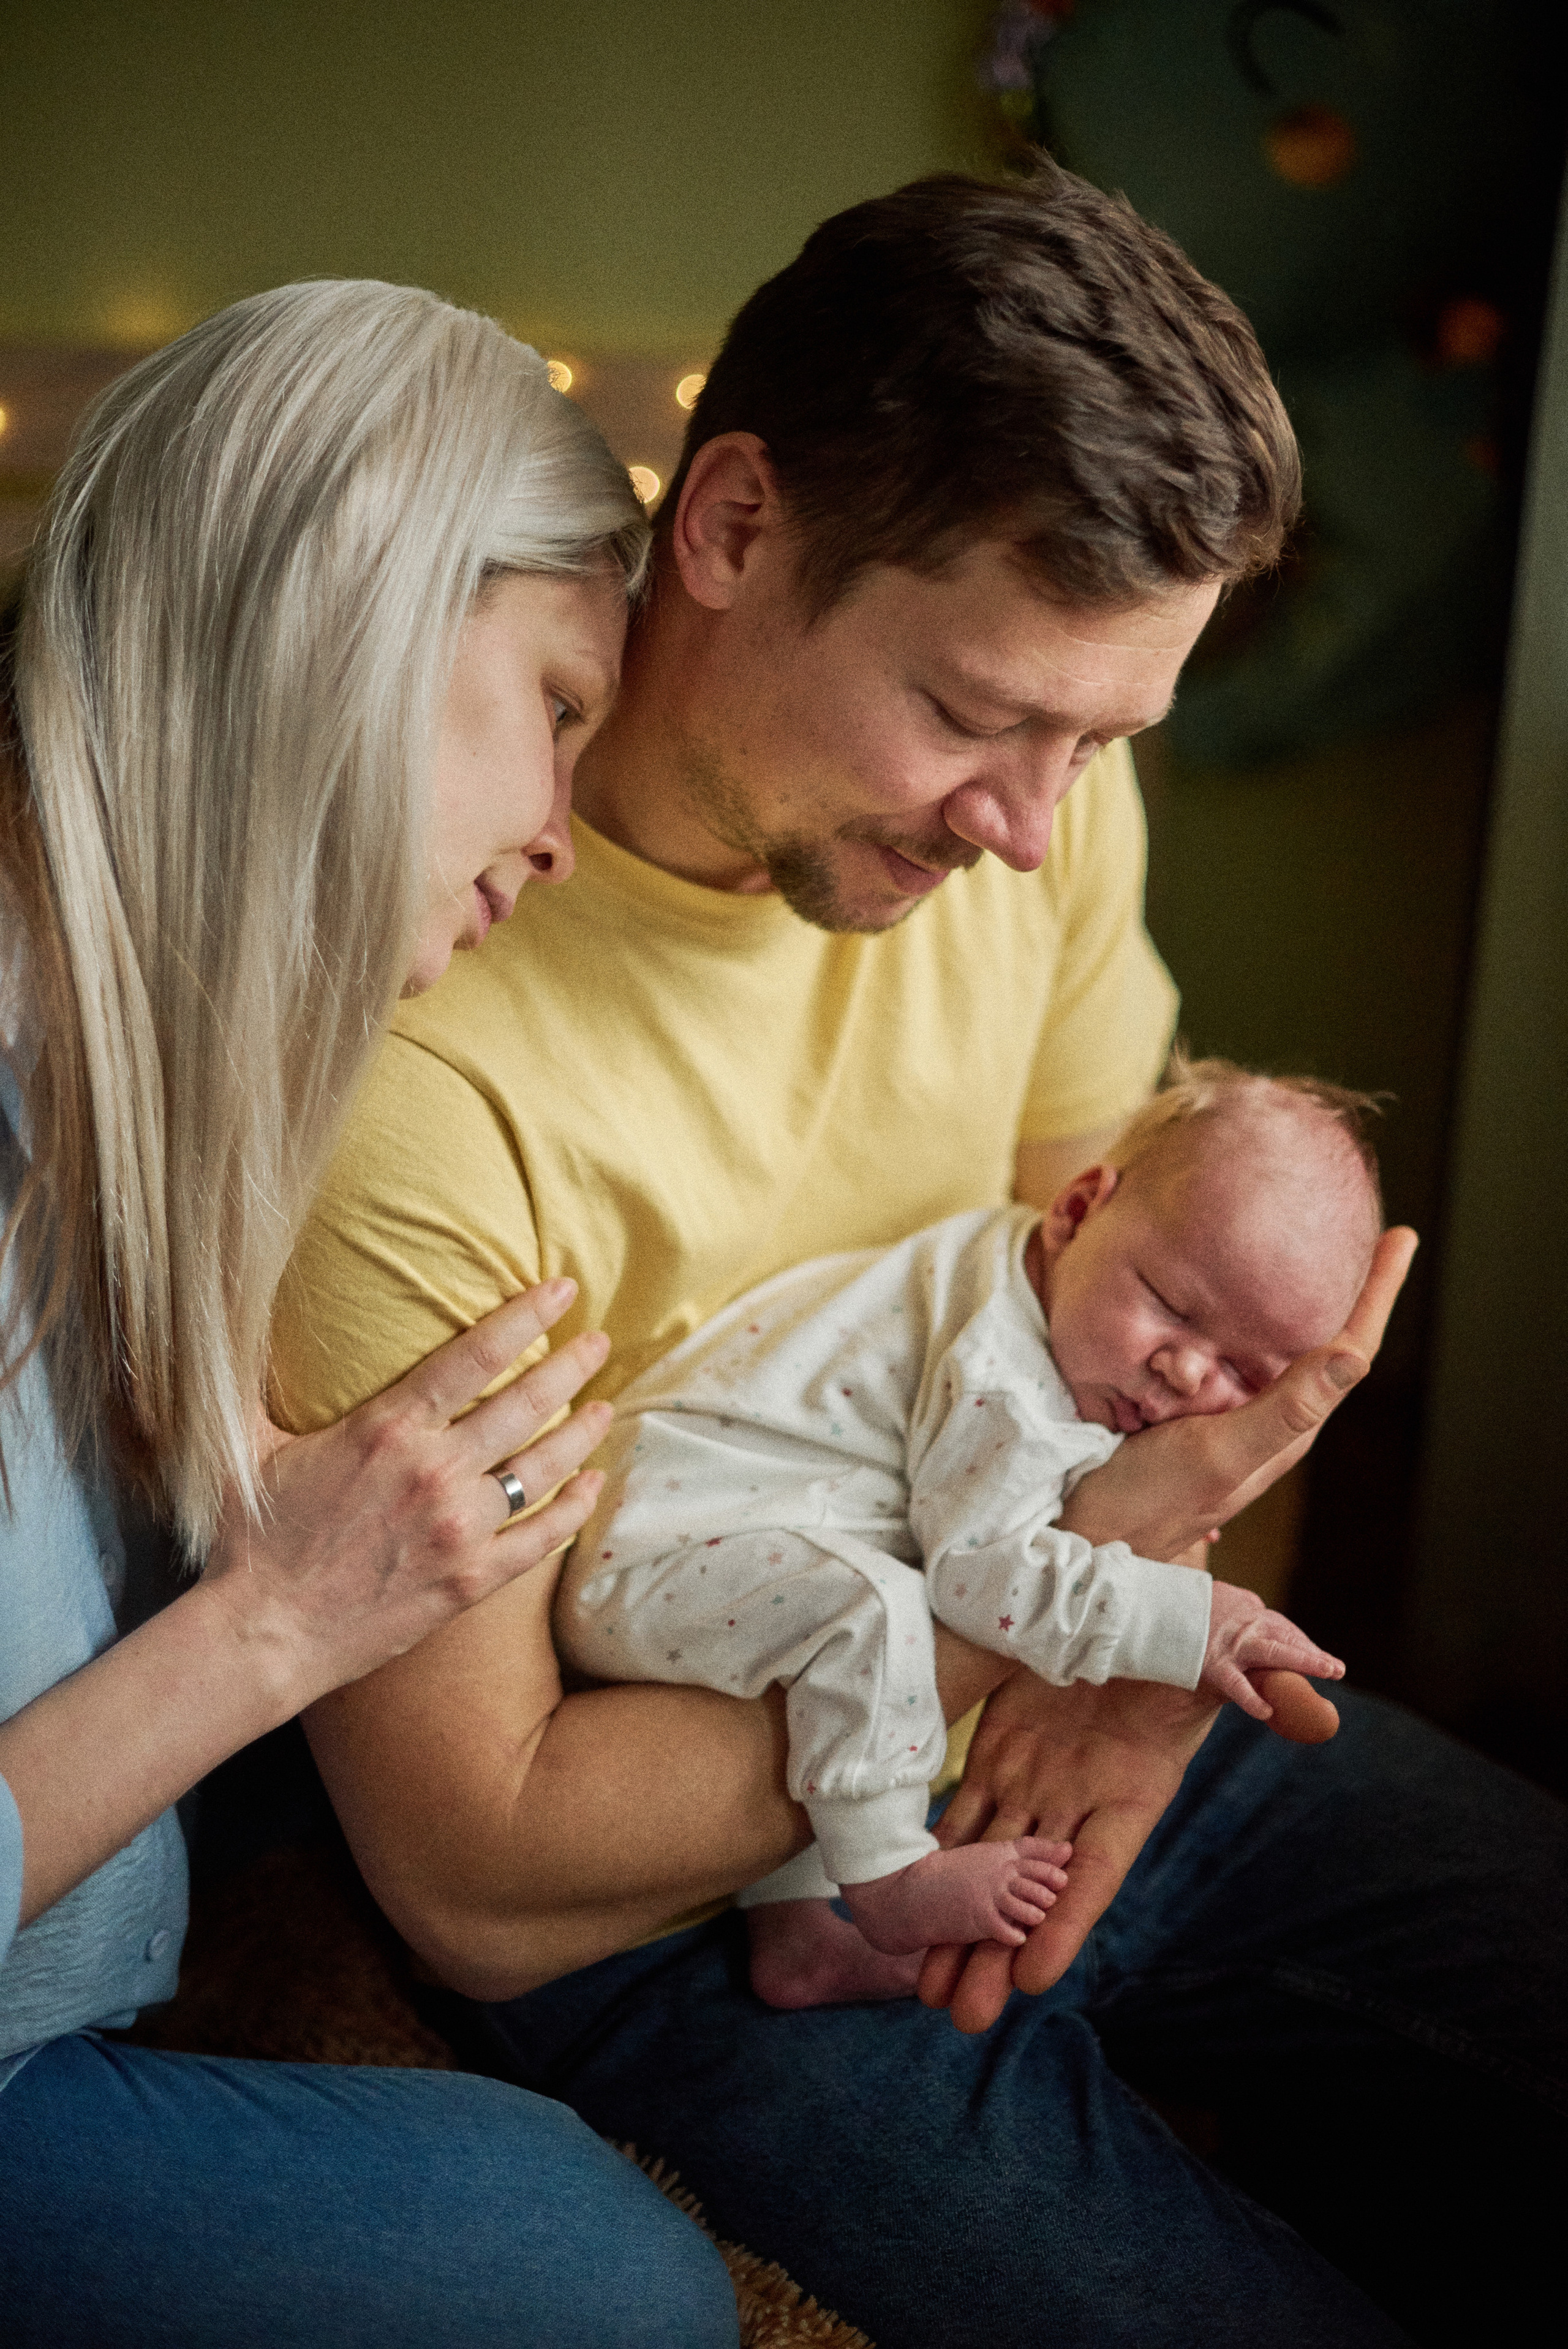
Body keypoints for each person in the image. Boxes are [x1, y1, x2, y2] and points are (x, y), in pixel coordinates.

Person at [271, 166, 1566, 2349]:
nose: (1036, 827)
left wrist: (1143, 1693)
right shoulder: (417, 1033)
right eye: (978, 714)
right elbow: (482, 1873)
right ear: (739, 521)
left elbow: (1197, 1362)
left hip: (1086, 1683)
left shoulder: (1039, 805)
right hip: (690, 1898)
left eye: (1100, 740)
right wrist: (1062, 1627)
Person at [0, 282, 738, 2349]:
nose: (562, 836)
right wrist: (278, 1622)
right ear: (354, 607)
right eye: (556, 702)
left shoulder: (137, 1085)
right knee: (609, 2288)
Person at [558, 1059, 1369, 2005]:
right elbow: (984, 1580)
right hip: (659, 1548)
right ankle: (889, 1874)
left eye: (1248, 1369)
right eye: (1173, 1307)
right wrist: (1194, 1622)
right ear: (1075, 1210)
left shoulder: (1034, 1272)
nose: (1188, 1374)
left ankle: (797, 1934)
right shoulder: (1008, 1384)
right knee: (879, 1602)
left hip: (706, 1526)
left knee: (855, 1592)